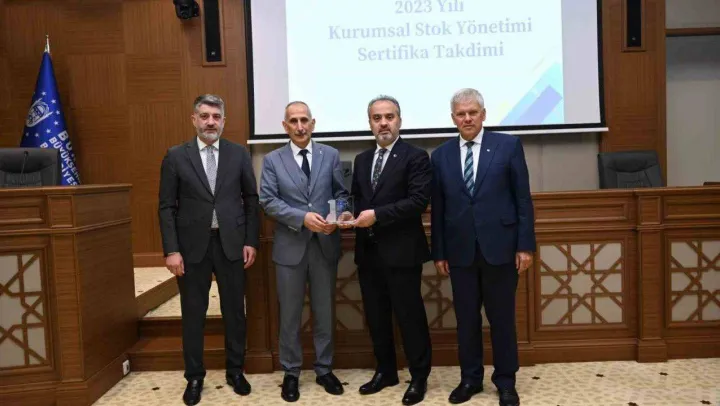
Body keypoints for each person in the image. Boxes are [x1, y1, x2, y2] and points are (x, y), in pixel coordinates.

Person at [430, 88, 536, 406]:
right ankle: (470, 379)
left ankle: (506, 381)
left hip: (501, 249)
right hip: (459, 252)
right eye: (461, 114)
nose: (467, 118)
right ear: (453, 118)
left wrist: (525, 246)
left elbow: (522, 199)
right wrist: (439, 251)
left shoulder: (508, 146)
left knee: (501, 319)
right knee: (466, 320)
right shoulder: (441, 155)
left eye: (472, 112)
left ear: (483, 114)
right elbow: (438, 208)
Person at [158, 94, 260, 405]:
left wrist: (250, 240)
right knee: (193, 314)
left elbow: (251, 200)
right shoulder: (176, 156)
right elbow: (166, 206)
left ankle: (235, 371)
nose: (210, 122)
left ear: (224, 120)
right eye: (204, 116)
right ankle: (194, 376)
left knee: (234, 312)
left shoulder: (238, 153)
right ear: (194, 119)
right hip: (191, 248)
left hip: (232, 244)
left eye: (216, 116)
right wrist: (171, 250)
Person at [259, 101, 348, 402]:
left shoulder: (330, 154)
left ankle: (324, 369)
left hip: (324, 246)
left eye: (304, 120)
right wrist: (302, 218)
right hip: (290, 248)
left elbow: (341, 193)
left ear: (313, 123)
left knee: (325, 312)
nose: (300, 126)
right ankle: (291, 372)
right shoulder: (272, 160)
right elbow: (268, 201)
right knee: (290, 314)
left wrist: (339, 216)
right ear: (285, 126)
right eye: (293, 121)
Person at [350, 95, 433, 405]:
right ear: (369, 123)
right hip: (368, 252)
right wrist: (347, 213)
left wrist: (377, 215)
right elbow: (358, 199)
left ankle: (419, 377)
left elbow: (418, 202)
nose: (383, 123)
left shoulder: (416, 157)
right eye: (377, 118)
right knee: (376, 317)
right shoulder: (361, 159)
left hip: (402, 253)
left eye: (389, 117)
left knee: (410, 317)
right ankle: (385, 371)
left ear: (399, 120)